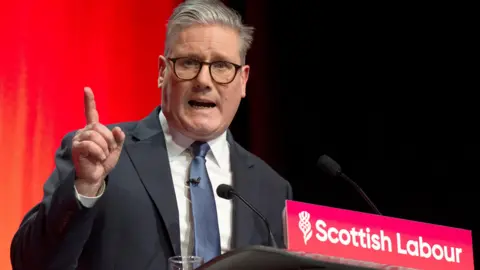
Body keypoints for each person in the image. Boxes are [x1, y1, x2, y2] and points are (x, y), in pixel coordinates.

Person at [10, 0, 292, 269]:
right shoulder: (99, 156)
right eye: (189, 63)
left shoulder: (272, 190)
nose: (204, 81)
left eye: (221, 66)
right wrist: (85, 188)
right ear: (161, 72)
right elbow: (31, 263)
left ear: (243, 80)